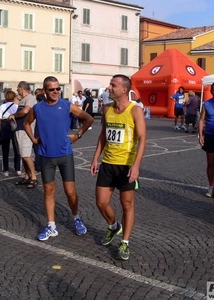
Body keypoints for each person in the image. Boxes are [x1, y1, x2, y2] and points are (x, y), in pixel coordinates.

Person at [23, 76, 94, 241]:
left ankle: (76, 218)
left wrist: (78, 135)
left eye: (57, 88)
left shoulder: (67, 105)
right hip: (46, 156)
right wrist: (33, 139)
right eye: (51, 89)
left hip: (65, 155)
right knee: (48, 191)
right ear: (45, 90)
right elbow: (27, 123)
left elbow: (88, 119)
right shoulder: (37, 108)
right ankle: (51, 226)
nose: (56, 91)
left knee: (70, 192)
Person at [90, 74, 146, 261]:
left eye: (113, 85)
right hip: (108, 163)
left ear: (124, 89)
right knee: (101, 202)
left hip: (126, 165)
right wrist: (95, 158)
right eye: (110, 85)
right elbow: (103, 136)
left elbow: (143, 139)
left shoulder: (135, 110)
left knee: (127, 204)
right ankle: (113, 226)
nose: (109, 88)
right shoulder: (107, 109)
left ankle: (125, 242)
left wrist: (136, 166)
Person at [9, 81, 37, 188]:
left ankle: (34, 177)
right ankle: (27, 176)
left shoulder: (30, 98)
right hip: (19, 129)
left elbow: (25, 111)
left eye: (18, 88)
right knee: (22, 154)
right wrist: (16, 101)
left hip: (26, 130)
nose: (17, 90)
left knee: (26, 155)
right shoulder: (23, 99)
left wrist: (14, 116)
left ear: (22, 88)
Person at [0, 91, 21, 177]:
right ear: (14, 97)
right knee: (17, 149)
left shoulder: (2, 106)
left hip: (5, 127)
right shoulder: (17, 106)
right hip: (14, 127)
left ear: (5, 97)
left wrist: (4, 117)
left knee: (5, 150)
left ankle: (6, 170)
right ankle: (18, 169)